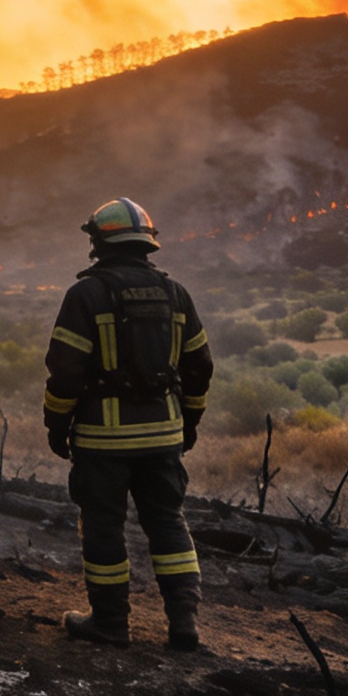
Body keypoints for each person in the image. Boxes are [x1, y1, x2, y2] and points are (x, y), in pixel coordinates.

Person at [42, 197, 213, 649]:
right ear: (146, 243)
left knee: (103, 527)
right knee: (169, 523)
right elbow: (200, 367)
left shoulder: (85, 295)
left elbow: (64, 372)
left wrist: (56, 425)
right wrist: (188, 422)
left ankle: (111, 623)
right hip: (164, 438)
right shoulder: (176, 294)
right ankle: (184, 626)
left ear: (98, 241)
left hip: (102, 441)